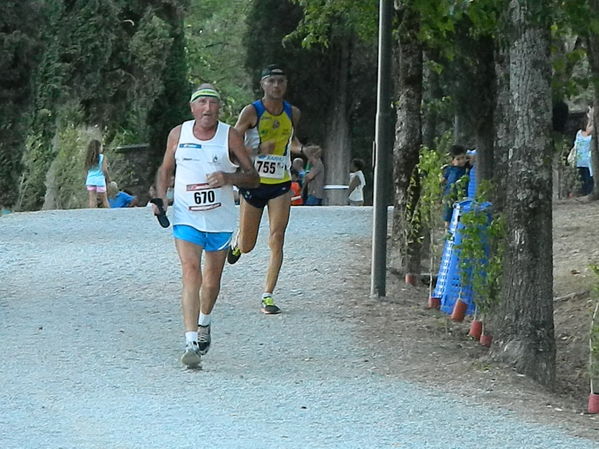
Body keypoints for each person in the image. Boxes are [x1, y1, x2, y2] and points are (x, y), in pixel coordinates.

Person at [152, 84, 259, 368]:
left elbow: (253, 177)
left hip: (219, 219)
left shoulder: (230, 136)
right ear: (193, 108)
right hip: (186, 216)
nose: (207, 109)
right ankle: (190, 343)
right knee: (190, 271)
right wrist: (160, 197)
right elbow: (165, 169)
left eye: (213, 103)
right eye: (202, 103)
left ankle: (204, 322)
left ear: (219, 109)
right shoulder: (178, 134)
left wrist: (227, 177)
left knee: (211, 281)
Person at [227, 64, 304, 314]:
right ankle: (238, 243)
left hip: (281, 184)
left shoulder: (293, 112)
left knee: (277, 237)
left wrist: (303, 150)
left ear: (286, 84)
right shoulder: (251, 112)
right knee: (248, 246)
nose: (276, 86)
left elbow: (291, 141)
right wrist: (258, 151)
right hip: (254, 183)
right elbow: (233, 143)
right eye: (271, 81)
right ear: (263, 84)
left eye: (281, 81)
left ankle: (267, 295)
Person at [441, 144, 468, 227]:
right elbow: (442, 179)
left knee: (460, 216)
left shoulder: (466, 168)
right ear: (452, 160)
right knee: (448, 215)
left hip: (461, 196)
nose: (461, 161)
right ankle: (447, 233)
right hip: (449, 196)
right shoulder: (449, 169)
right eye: (458, 159)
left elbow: (472, 157)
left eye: (463, 158)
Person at [84, 139, 110, 208]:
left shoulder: (88, 158)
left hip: (90, 180)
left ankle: (92, 214)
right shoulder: (102, 157)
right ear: (98, 148)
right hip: (100, 180)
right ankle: (109, 212)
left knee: (92, 199)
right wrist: (108, 178)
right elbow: (104, 169)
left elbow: (86, 169)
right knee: (104, 199)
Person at [572, 116, 594, 196]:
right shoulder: (587, 135)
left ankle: (587, 193)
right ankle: (587, 193)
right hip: (584, 159)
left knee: (587, 178)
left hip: (584, 159)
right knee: (586, 178)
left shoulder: (579, 133)